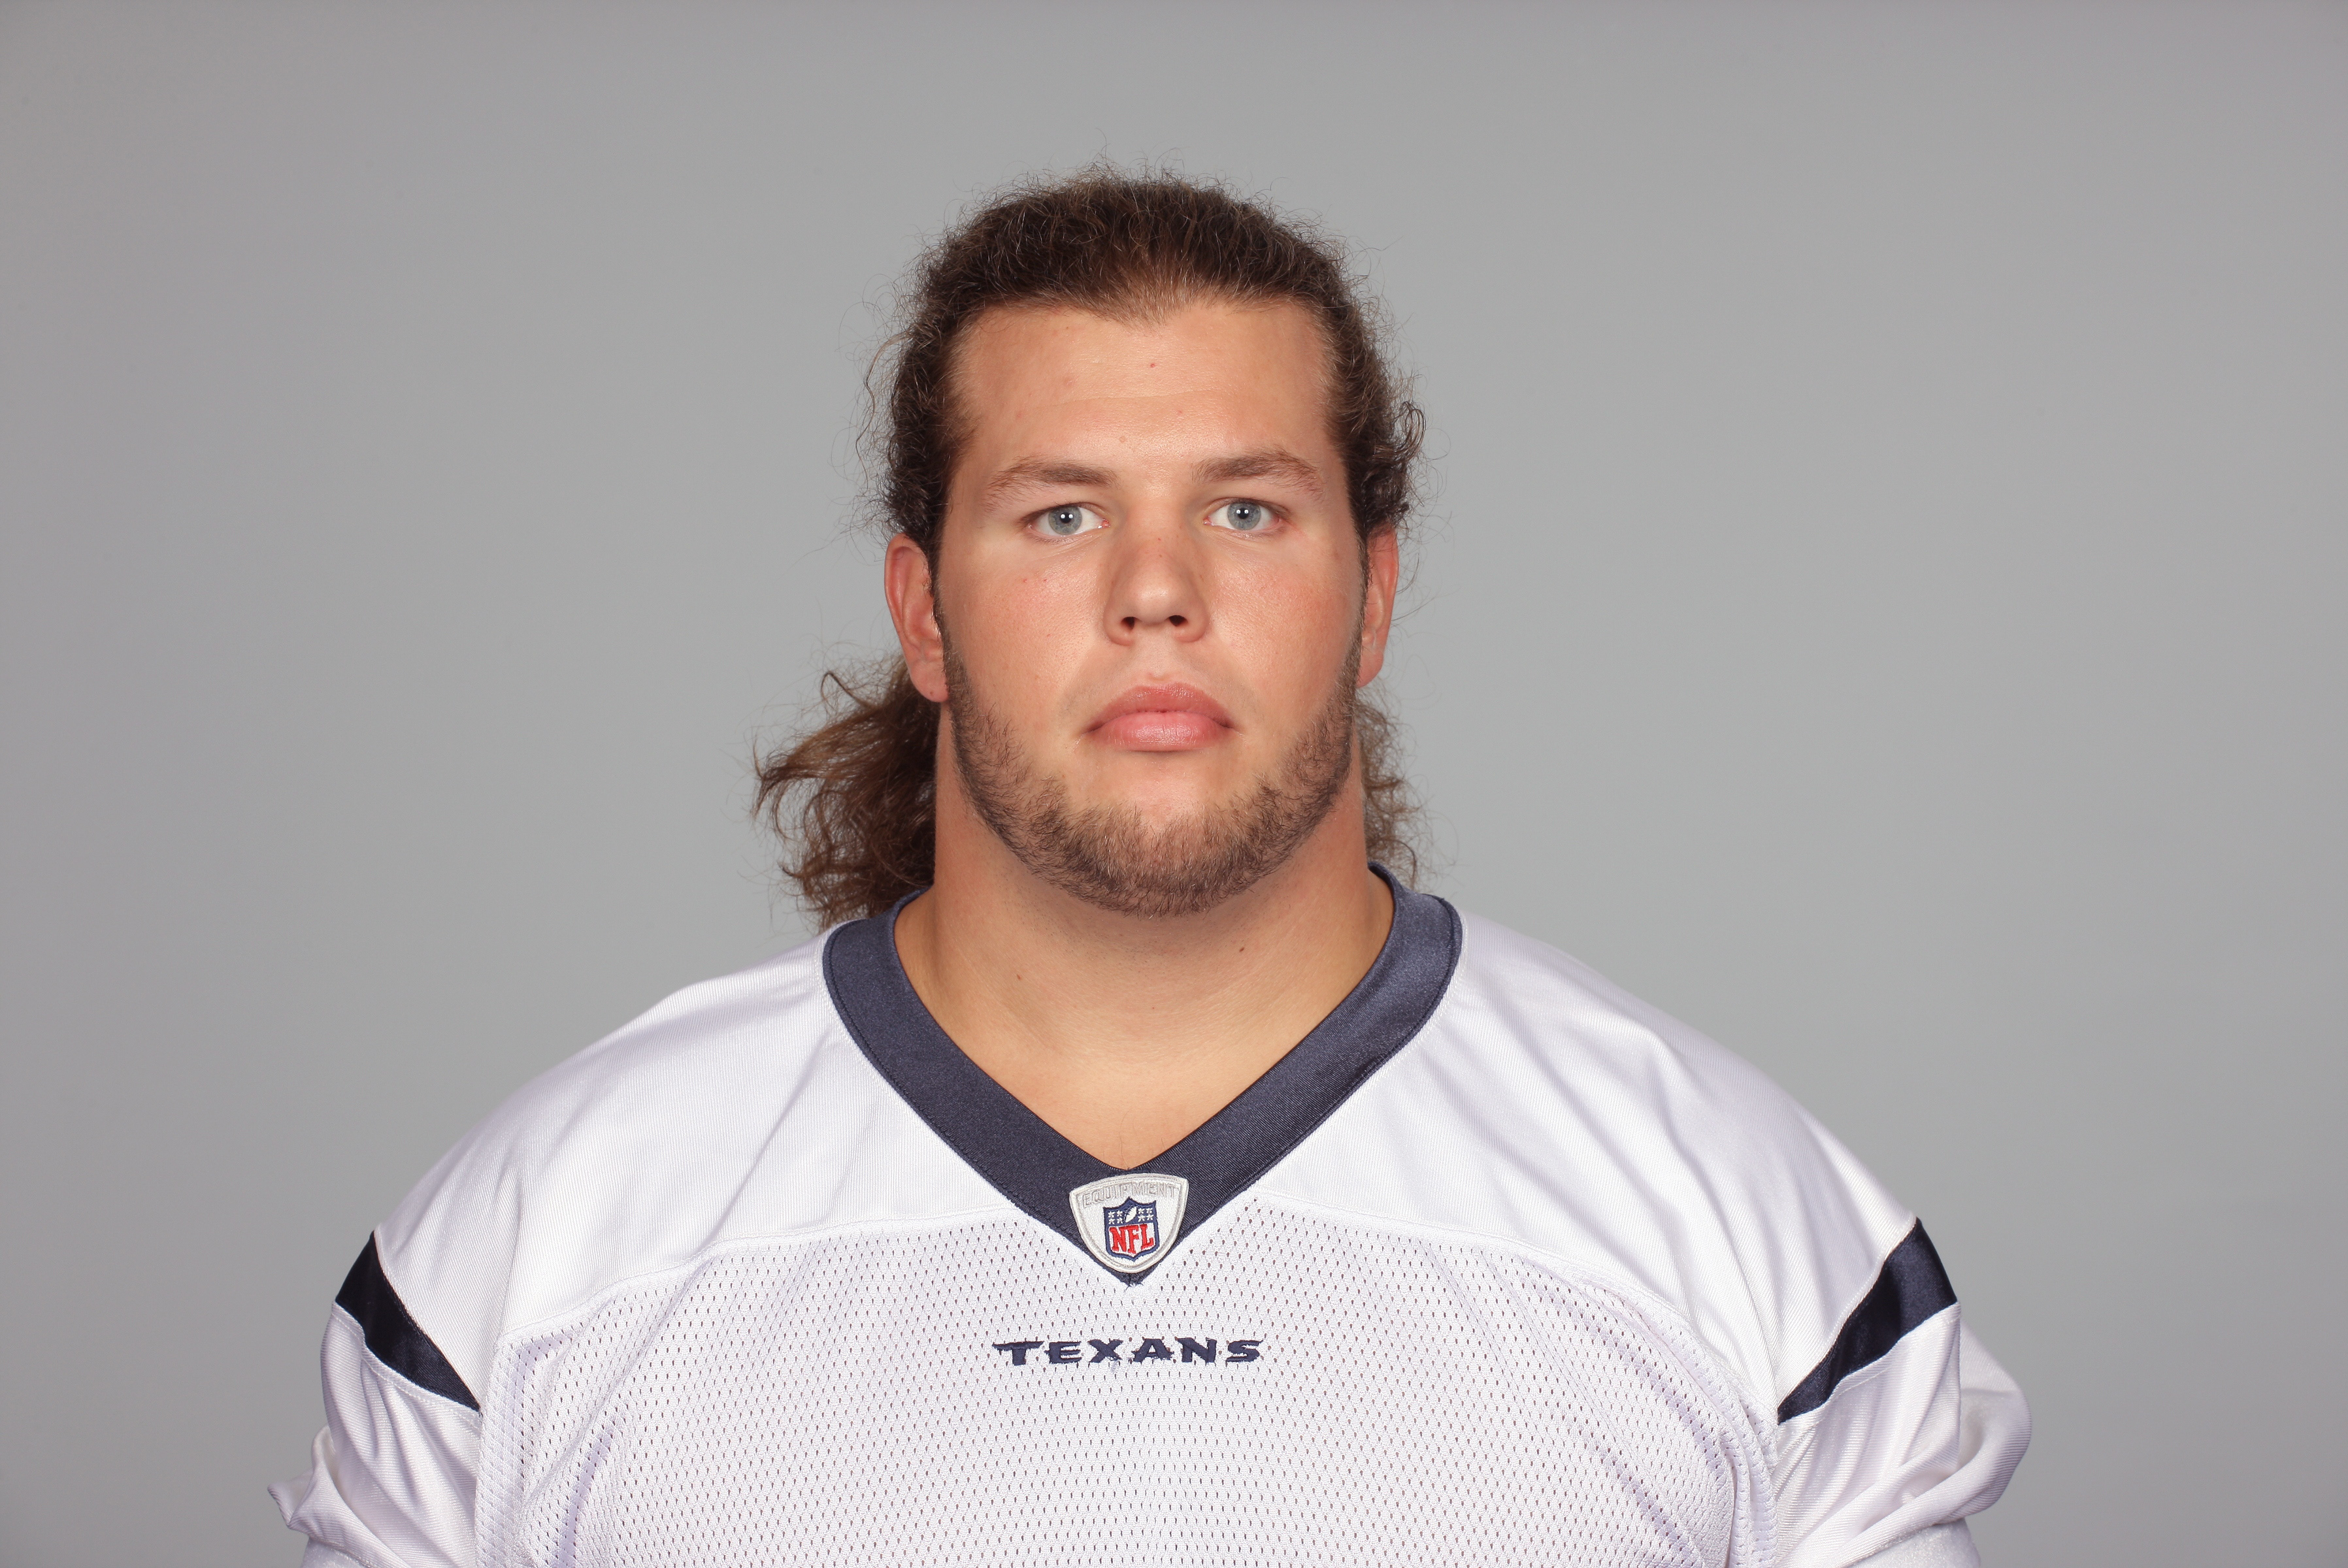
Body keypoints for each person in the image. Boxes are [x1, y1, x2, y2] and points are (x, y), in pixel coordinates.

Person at [274, 169, 2028, 1568]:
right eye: (1063, 514)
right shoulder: (534, 1254)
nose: (1157, 591)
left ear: (1374, 595)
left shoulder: (1746, 1234)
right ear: (923, 612)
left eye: (1246, 510)